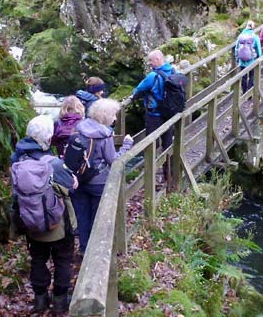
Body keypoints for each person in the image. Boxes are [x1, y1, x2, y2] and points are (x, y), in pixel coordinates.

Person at [10, 115, 78, 314]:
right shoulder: (53, 163)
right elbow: (72, 187)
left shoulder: (17, 159)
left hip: (30, 222)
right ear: (49, 138)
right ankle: (59, 301)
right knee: (63, 260)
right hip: (57, 224)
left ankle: (40, 300)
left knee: (38, 260)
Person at [71, 99, 133, 256]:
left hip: (78, 179)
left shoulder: (80, 127)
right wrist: (126, 145)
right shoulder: (104, 135)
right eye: (113, 114)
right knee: (97, 217)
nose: (115, 118)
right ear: (105, 116)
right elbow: (113, 160)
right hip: (98, 182)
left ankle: (84, 248)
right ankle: (95, 252)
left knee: (82, 216)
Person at [131, 49, 175, 185]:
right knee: (168, 144)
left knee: (151, 146)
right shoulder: (173, 71)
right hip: (170, 114)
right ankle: (169, 177)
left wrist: (133, 97)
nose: (150, 63)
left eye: (151, 60)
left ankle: (151, 178)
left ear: (157, 59)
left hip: (154, 115)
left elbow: (138, 91)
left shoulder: (152, 76)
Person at [235, 21, 262, 93]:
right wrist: (260, 58)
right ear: (253, 27)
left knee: (243, 77)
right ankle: (249, 93)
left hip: (242, 61)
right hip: (251, 61)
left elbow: (236, 48)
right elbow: (259, 49)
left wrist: (237, 59)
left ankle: (244, 92)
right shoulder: (255, 37)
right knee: (251, 76)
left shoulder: (240, 36)